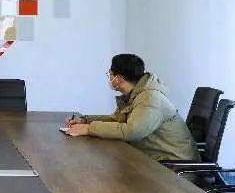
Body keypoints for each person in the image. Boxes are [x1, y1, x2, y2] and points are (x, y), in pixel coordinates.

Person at [65, 54, 199, 161]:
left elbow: (131, 131)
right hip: (155, 160)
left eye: (110, 74)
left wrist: (88, 129)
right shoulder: (136, 94)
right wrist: (85, 120)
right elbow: (117, 119)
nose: (109, 77)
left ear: (118, 78)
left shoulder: (150, 98)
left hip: (175, 168)